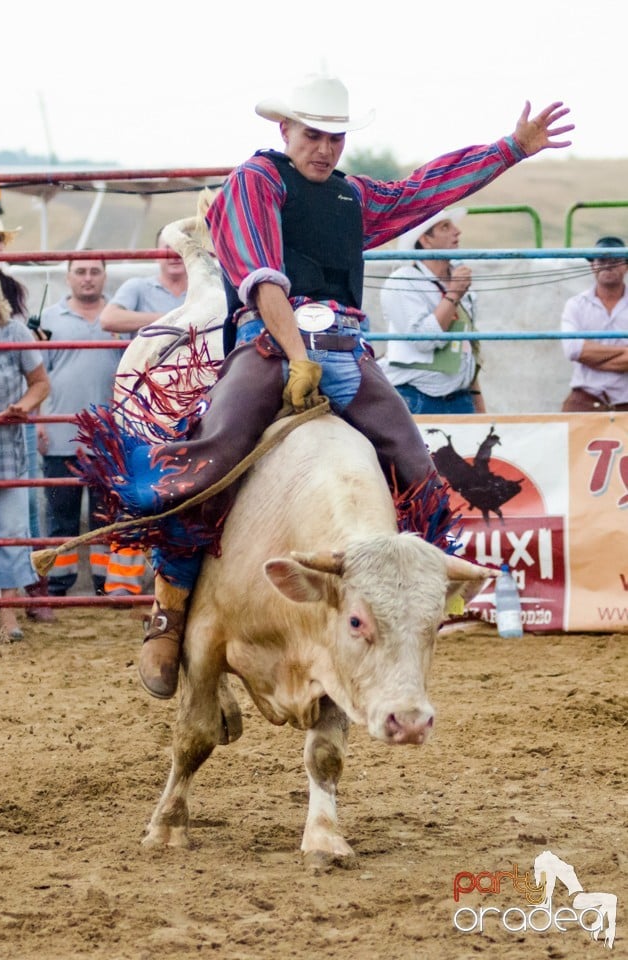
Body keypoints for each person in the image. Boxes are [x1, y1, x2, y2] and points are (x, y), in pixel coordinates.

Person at [78, 74, 572, 699]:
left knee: (420, 474)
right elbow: (262, 277)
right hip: (266, 344)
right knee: (204, 465)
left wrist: (511, 148)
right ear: (285, 131)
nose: (325, 149)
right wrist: (293, 356)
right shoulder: (256, 181)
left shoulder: (350, 196)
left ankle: (403, 610)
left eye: (334, 138)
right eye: (313, 135)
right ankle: (168, 612)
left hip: (345, 348)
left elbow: (421, 190)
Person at [39, 257, 147, 598]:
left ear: (104, 276)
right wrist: (40, 420)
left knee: (105, 516)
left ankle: (104, 585)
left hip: (108, 437)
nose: (88, 279)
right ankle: (57, 586)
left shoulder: (121, 318)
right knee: (61, 516)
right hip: (59, 434)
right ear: (68, 276)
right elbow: (38, 376)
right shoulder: (48, 318)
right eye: (80, 272)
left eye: (94, 272)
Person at [379, 207, 486, 414]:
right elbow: (424, 340)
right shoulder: (402, 281)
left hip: (460, 397)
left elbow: (468, 349)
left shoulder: (460, 283)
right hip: (417, 397)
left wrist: (479, 408)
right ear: (425, 240)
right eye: (445, 227)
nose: (457, 231)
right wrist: (453, 295)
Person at [0, 271, 50, 640]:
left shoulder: (14, 333)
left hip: (4, 450)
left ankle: (8, 613)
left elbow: (41, 383)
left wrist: (23, 406)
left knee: (10, 533)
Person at [561, 236, 628, 412]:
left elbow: (579, 350)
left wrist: (591, 357)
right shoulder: (576, 304)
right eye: (602, 259)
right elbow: (573, 349)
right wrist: (623, 352)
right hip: (586, 397)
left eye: (615, 259)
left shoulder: (575, 305)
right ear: (593, 265)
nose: (608, 264)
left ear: (626, 266)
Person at [100, 230, 188, 335]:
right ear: (156, 255)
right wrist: (168, 318)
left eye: (181, 247)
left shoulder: (205, 290)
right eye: (168, 249)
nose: (175, 255)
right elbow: (108, 319)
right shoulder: (138, 286)